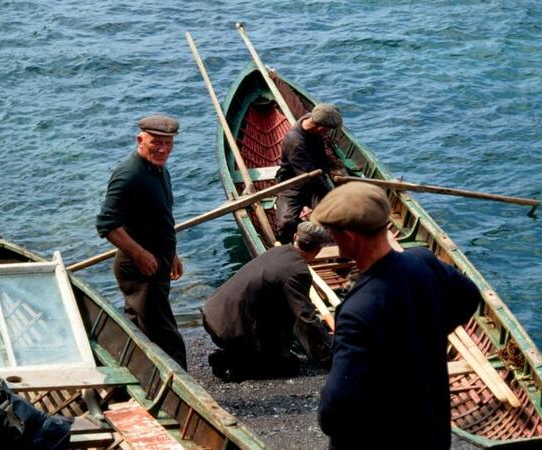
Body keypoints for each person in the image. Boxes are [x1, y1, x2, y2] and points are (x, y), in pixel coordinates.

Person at [311, 183, 482, 449]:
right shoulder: (422, 261)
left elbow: (334, 412)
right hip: (430, 434)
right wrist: (426, 335)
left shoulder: (358, 311)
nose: (330, 237)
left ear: (350, 236)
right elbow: (469, 297)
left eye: (332, 231)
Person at [96, 114, 187, 369]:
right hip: (139, 270)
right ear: (140, 139)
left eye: (168, 143)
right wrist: (138, 253)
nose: (163, 149)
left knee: (139, 332)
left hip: (158, 261)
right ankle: (190, 396)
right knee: (167, 339)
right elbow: (106, 224)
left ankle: (131, 382)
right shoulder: (129, 174)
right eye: (156, 142)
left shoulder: (159, 170)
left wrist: (173, 253)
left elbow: (161, 218)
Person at [202, 222, 333, 381]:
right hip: (228, 330)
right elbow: (305, 315)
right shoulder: (298, 271)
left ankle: (238, 355)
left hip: (212, 314)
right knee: (289, 366)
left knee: (281, 319)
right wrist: (328, 346)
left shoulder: (278, 250)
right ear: (318, 250)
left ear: (295, 237)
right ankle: (232, 363)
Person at [275, 103, 343, 243]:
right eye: (328, 130)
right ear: (321, 128)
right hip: (293, 184)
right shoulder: (295, 142)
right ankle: (289, 244)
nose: (327, 133)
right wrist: (329, 193)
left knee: (332, 219)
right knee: (286, 224)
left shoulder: (308, 119)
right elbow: (309, 175)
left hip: (315, 178)